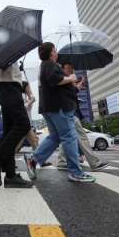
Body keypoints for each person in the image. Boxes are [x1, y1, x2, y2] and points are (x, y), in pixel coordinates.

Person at [24, 43, 96, 182]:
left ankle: (34, 159)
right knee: (69, 137)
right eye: (54, 49)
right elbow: (55, 80)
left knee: (55, 136)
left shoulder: (45, 65)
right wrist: (71, 78)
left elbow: (56, 86)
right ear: (50, 52)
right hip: (60, 107)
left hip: (50, 107)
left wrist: (72, 89)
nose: (56, 52)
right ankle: (76, 172)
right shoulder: (50, 64)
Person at [0, 62, 35, 189]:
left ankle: (10, 175)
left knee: (9, 130)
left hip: (8, 86)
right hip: (7, 85)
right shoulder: (1, 44)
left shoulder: (5, 46)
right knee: (23, 124)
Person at [56, 63, 110, 171]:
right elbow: (73, 91)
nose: (71, 70)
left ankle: (62, 161)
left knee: (65, 138)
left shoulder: (65, 80)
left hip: (66, 112)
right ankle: (94, 163)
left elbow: (72, 93)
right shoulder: (64, 79)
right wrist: (78, 81)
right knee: (82, 137)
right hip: (70, 113)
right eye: (69, 68)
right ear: (63, 69)